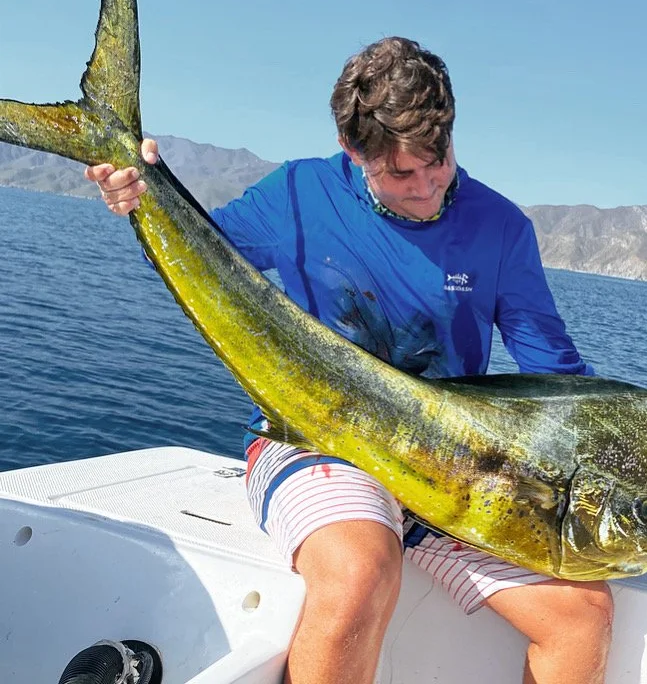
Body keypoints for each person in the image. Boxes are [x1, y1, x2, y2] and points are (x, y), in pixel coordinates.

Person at [85, 36, 613, 684]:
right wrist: (138, 197)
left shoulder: (500, 227)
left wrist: (618, 465)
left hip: (445, 471)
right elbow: (191, 255)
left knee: (582, 613)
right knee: (363, 568)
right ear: (354, 155)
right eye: (399, 174)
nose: (424, 190)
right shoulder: (300, 194)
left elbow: (554, 378)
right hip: (312, 439)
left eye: (437, 162)